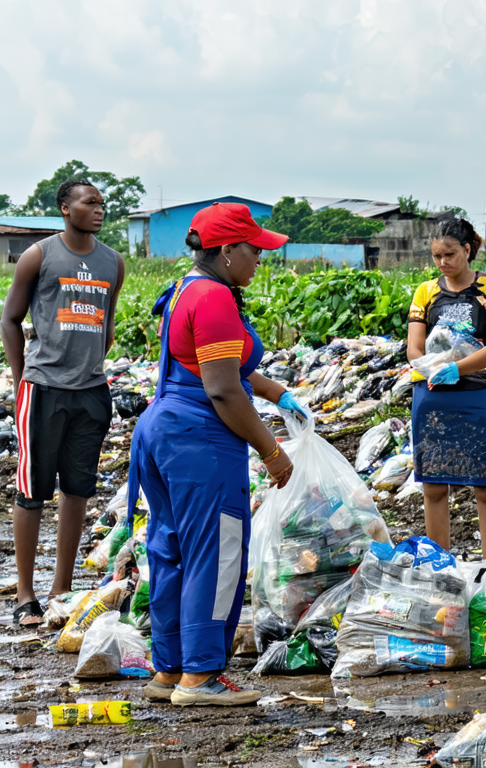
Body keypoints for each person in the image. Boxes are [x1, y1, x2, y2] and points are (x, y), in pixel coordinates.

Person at [130, 203, 308, 706]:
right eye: (253, 250)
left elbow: (219, 364)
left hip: (163, 429)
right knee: (218, 551)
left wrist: (277, 394)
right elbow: (224, 390)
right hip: (199, 437)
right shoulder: (214, 299)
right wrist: (271, 451)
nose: (259, 260)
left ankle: (169, 669)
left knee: (172, 552)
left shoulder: (190, 288)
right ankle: (202, 675)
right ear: (227, 250)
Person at [1, 179, 125, 627]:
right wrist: (21, 381)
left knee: (78, 490)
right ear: (65, 209)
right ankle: (26, 595)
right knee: (33, 490)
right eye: (89, 202)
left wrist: (86, 364)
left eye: (102, 203)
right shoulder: (40, 256)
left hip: (90, 392)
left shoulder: (113, 261)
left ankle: (61, 590)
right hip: (43, 388)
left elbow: (106, 326)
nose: (99, 209)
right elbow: (11, 320)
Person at [406, 215, 486, 565]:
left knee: (485, 486)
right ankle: (440, 566)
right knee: (434, 486)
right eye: (436, 256)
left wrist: (457, 368)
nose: (442, 263)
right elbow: (414, 348)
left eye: (449, 254)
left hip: (479, 392)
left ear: (467, 250)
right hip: (434, 394)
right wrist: (434, 369)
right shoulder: (426, 292)